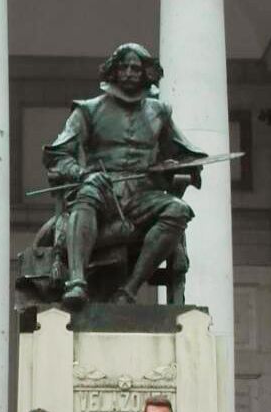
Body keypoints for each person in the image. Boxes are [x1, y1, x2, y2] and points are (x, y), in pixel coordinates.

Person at [43, 42, 207, 309]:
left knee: (178, 210)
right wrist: (83, 174)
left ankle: (129, 290)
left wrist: (178, 166)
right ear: (114, 71)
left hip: (143, 195)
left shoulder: (160, 112)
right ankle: (77, 282)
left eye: (136, 67)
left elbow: (183, 152)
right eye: (124, 67)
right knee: (86, 195)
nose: (130, 72)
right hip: (102, 190)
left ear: (146, 73)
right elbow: (58, 154)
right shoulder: (88, 110)